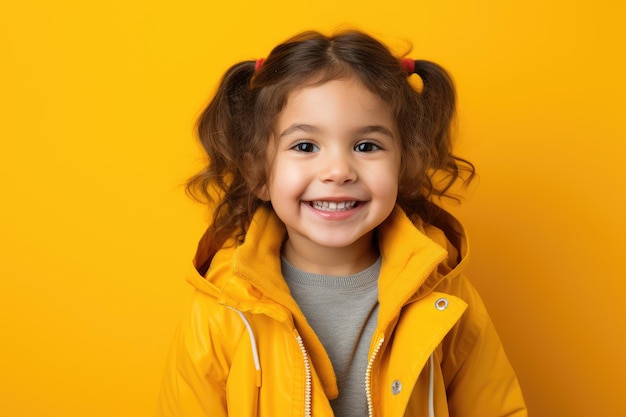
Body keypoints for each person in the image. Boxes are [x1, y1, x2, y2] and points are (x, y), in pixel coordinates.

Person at [156, 29, 527, 417]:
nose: (337, 171)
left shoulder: (447, 295)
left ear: (404, 165)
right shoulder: (222, 309)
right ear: (258, 173)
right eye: (305, 146)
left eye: (366, 146)